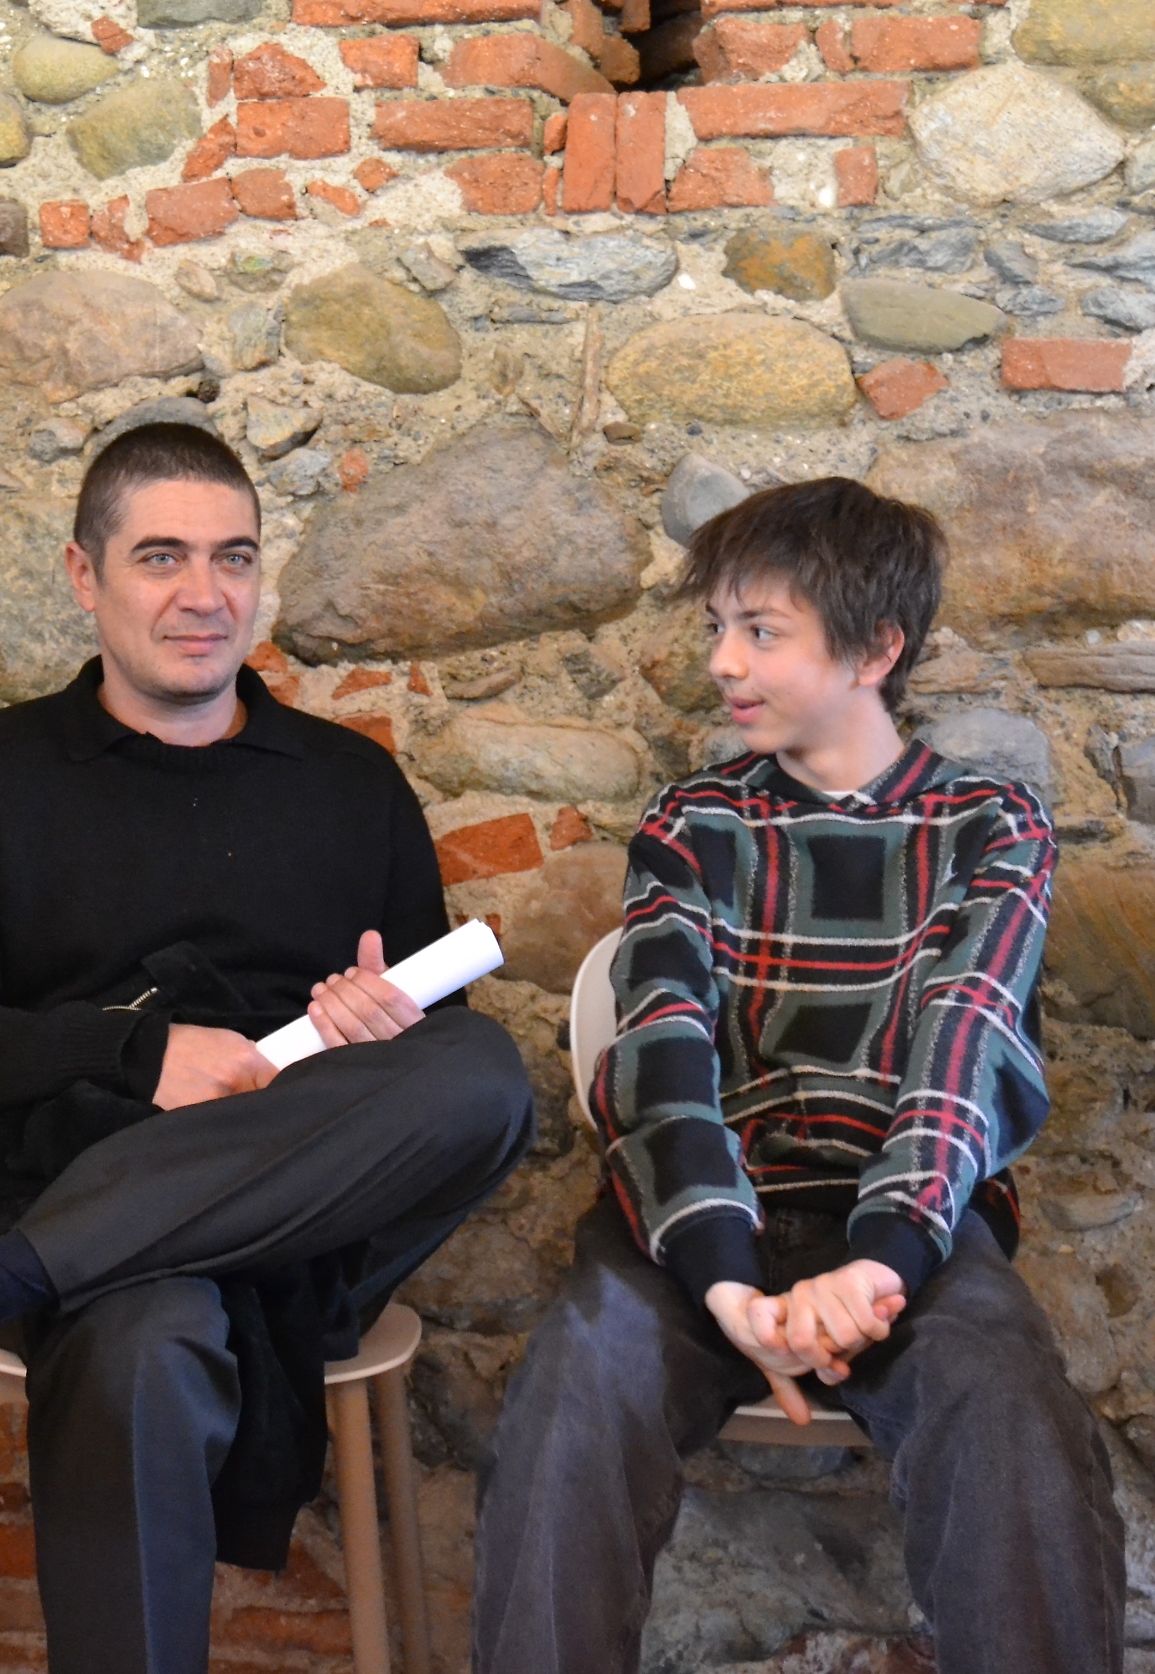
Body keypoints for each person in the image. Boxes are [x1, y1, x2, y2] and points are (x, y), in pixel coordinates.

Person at [0, 422, 534, 1674]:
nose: (204, 594)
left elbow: (425, 1080)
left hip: (315, 1221)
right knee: (142, 1347)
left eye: (234, 558)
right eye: (161, 557)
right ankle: (39, 1267)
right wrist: (136, 1057)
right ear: (84, 576)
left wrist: (367, 1029)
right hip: (77, 1182)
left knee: (482, 1075)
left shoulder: (352, 782)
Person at [472, 477, 1126, 1674]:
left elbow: (964, 1054)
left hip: (912, 1232)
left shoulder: (992, 826)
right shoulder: (692, 822)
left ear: (877, 648)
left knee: (1010, 1412)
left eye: (761, 631)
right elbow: (659, 1050)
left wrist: (879, 1265)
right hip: (698, 1221)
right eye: (719, 626)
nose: (723, 661)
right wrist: (725, 1282)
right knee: (575, 1391)